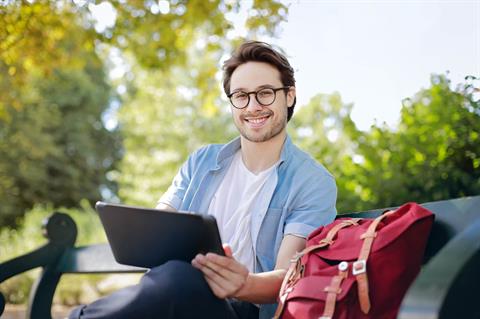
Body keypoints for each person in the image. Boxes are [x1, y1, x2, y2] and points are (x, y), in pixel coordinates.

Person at [69, 41, 337, 319]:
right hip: (172, 296)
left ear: (289, 96)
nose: (253, 106)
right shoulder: (202, 162)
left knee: (177, 278)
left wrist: (244, 283)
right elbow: (160, 223)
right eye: (241, 96)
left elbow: (288, 277)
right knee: (174, 276)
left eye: (265, 93)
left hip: (241, 310)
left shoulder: (313, 182)